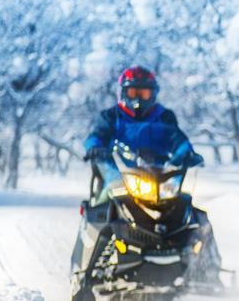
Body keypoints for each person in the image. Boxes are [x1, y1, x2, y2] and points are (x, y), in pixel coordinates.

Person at [83, 66, 198, 203]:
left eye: (143, 94)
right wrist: (94, 148)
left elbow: (178, 140)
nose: (138, 99)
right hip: (118, 175)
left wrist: (186, 153)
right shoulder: (111, 116)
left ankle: (196, 225)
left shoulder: (164, 116)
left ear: (152, 94)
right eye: (133, 93)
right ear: (123, 93)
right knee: (105, 202)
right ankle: (95, 222)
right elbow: (96, 136)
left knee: (184, 205)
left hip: (159, 178)